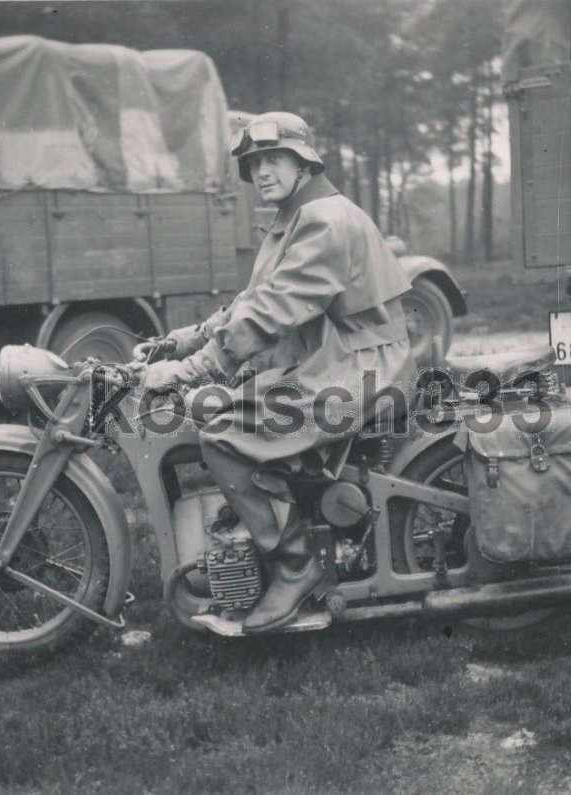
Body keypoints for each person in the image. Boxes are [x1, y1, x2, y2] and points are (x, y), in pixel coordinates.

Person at [136, 111, 416, 632]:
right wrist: (185, 340)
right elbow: (253, 301)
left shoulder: (324, 221)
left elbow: (272, 311)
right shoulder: (298, 215)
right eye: (254, 163)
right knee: (240, 410)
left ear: (304, 162)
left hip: (365, 368)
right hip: (341, 359)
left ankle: (294, 565)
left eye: (274, 159)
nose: (261, 172)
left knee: (223, 431)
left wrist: (195, 369)